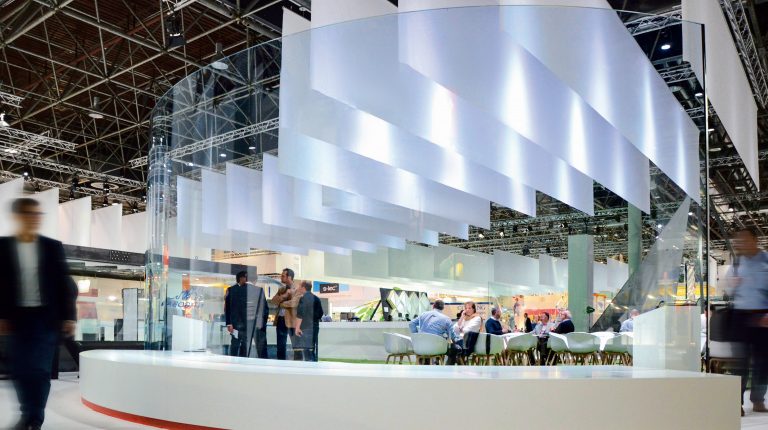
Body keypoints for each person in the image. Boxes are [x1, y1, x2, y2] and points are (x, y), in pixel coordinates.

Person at [0, 198, 78, 430]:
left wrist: (69, 317)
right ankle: (28, 412)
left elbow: (64, 284)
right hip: (16, 320)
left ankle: (34, 419)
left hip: (46, 319)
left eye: (37, 214)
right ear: (17, 216)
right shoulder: (3, 246)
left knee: (40, 370)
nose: (34, 218)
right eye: (29, 213)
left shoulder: (52, 246)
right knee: (20, 369)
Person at [725, 228, 768, 415]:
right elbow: (727, 291)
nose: (740, 243)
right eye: (738, 240)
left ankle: (758, 399)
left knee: (763, 361)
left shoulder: (766, 260)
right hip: (739, 316)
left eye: (744, 239)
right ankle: (737, 402)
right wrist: (731, 285)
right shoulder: (736, 263)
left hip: (762, 316)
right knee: (739, 362)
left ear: (755, 239)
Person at [224, 271, 268, 358]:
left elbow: (227, 309)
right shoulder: (259, 290)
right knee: (248, 348)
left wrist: (229, 323)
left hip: (237, 325)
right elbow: (265, 310)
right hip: (252, 325)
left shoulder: (231, 290)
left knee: (235, 347)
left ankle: (234, 363)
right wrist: (261, 324)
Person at [294, 281, 323, 361]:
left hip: (306, 328)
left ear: (303, 288)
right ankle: (314, 365)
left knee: (307, 351)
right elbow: (320, 313)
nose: (298, 288)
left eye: (300, 286)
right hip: (315, 327)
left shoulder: (303, 298)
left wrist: (297, 328)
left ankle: (310, 366)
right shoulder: (316, 298)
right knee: (312, 349)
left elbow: (300, 313)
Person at [271, 268, 295, 360]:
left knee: (296, 346)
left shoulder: (297, 290)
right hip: (280, 320)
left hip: (292, 321)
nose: (281, 277)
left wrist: (281, 303)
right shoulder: (281, 289)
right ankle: (280, 364)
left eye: (283, 276)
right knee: (280, 346)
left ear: (289, 277)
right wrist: (284, 296)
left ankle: (299, 365)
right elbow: (273, 301)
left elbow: (294, 303)